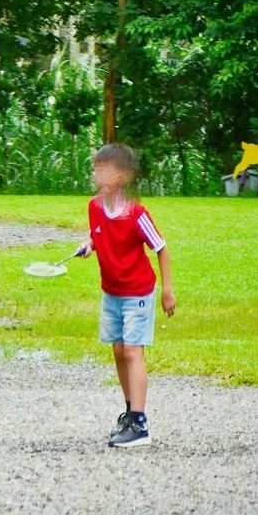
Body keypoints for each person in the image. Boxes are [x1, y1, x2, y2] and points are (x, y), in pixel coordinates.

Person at [79, 144, 175, 447]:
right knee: (119, 351)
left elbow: (160, 247)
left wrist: (168, 291)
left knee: (134, 352)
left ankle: (140, 422)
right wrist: (90, 244)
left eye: (105, 168)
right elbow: (97, 232)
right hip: (112, 293)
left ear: (123, 176)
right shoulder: (94, 206)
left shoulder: (136, 213)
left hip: (138, 293)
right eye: (96, 168)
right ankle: (129, 411)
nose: (98, 174)